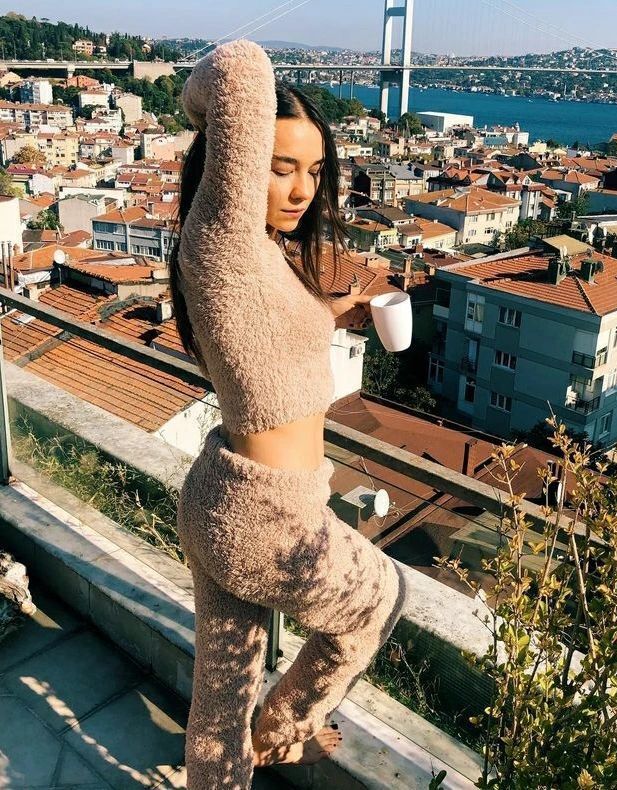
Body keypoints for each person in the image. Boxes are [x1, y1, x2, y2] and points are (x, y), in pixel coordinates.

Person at [169, 39, 407, 790]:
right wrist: (200, 111)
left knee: (218, 703)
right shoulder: (223, 240)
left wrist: (335, 312)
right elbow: (240, 66)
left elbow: (265, 339)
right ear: (237, 166)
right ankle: (282, 731)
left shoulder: (261, 258)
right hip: (267, 517)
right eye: (278, 168)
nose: (302, 189)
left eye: (314, 169)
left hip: (225, 496)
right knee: (379, 602)